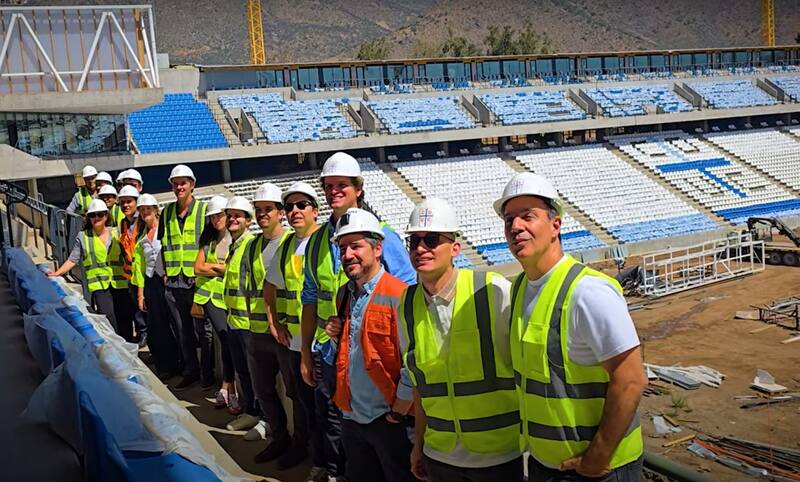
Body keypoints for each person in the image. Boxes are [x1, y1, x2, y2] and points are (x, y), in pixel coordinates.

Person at [496, 172, 646, 481]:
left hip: (598, 470)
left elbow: (631, 379)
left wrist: (597, 456)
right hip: (545, 465)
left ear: (555, 225)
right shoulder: (521, 287)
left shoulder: (588, 291)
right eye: (509, 219)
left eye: (528, 216)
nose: (515, 227)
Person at [301, 152, 415, 481]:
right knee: (342, 438)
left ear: (358, 189)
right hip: (334, 359)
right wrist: (313, 347)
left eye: (342, 185)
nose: (334, 191)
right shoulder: (318, 242)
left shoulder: (383, 235)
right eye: (328, 186)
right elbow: (311, 297)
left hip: (382, 381)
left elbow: (404, 298)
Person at [398, 197, 522, 482]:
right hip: (441, 456)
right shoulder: (406, 305)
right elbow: (421, 385)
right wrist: (419, 445)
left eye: (430, 239)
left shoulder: (493, 291)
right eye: (413, 241)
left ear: (455, 248)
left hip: (499, 454)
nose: (420, 248)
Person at [324, 208, 415, 482]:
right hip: (352, 417)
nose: (348, 254)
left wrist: (399, 411)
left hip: (388, 420)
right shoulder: (344, 294)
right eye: (343, 248)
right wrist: (334, 333)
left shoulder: (399, 295)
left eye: (356, 246)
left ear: (377, 249)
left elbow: (413, 360)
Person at [266, 181, 322, 476]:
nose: (295, 211)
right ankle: (305, 451)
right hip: (293, 343)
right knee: (300, 402)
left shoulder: (325, 240)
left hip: (320, 343)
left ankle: (325, 461)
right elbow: (270, 286)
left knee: (324, 410)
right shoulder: (287, 244)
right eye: (289, 207)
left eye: (302, 205)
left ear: (315, 209)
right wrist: (273, 321)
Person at [240, 183, 294, 460]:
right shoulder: (251, 247)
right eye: (259, 210)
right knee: (264, 391)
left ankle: (300, 446)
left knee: (295, 394)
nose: (263, 215)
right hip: (258, 332)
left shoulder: (290, 244)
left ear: (280, 213)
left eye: (268, 210)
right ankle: (279, 437)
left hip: (285, 333)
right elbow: (248, 287)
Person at [48, 199, 131, 339]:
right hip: (99, 286)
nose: (96, 218)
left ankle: (129, 347)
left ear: (106, 215)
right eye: (93, 215)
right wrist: (57, 273)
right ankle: (117, 348)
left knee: (125, 318)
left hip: (120, 283)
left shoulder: (116, 233)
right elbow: (72, 259)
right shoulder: (83, 237)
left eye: (100, 214)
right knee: (109, 319)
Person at [159, 164, 209, 391]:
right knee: (183, 331)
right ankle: (191, 371)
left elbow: (208, 245)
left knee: (203, 332)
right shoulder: (167, 213)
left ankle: (207, 375)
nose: (179, 187)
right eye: (175, 183)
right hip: (174, 282)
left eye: (183, 183)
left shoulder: (203, 211)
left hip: (195, 282)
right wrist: (166, 273)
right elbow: (164, 245)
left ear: (192, 185)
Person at [221, 196, 260, 433]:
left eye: (238, 215)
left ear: (248, 220)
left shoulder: (249, 245)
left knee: (254, 374)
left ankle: (259, 415)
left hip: (248, 323)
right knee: (243, 371)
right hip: (234, 321)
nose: (233, 219)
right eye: (230, 215)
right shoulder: (234, 246)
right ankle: (250, 412)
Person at [193, 196, 236, 412]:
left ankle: (229, 386)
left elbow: (232, 268)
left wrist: (215, 267)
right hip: (209, 298)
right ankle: (227, 386)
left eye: (219, 215)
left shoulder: (234, 238)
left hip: (227, 297)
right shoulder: (209, 239)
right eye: (212, 216)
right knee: (222, 338)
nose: (216, 219)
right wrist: (219, 266)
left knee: (227, 340)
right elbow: (197, 268)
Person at [131, 194, 181, 379]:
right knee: (157, 326)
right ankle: (166, 366)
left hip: (167, 280)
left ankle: (181, 363)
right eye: (142, 210)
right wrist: (141, 294)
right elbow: (142, 269)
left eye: (148, 209)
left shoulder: (165, 229)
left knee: (176, 324)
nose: (145, 213)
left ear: (155, 210)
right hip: (152, 282)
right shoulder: (142, 239)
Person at [117, 185, 147, 346]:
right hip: (131, 275)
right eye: (122, 202)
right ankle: (143, 334)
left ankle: (147, 335)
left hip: (144, 273)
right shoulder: (123, 223)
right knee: (137, 309)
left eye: (129, 202)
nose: (126, 205)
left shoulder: (142, 221)